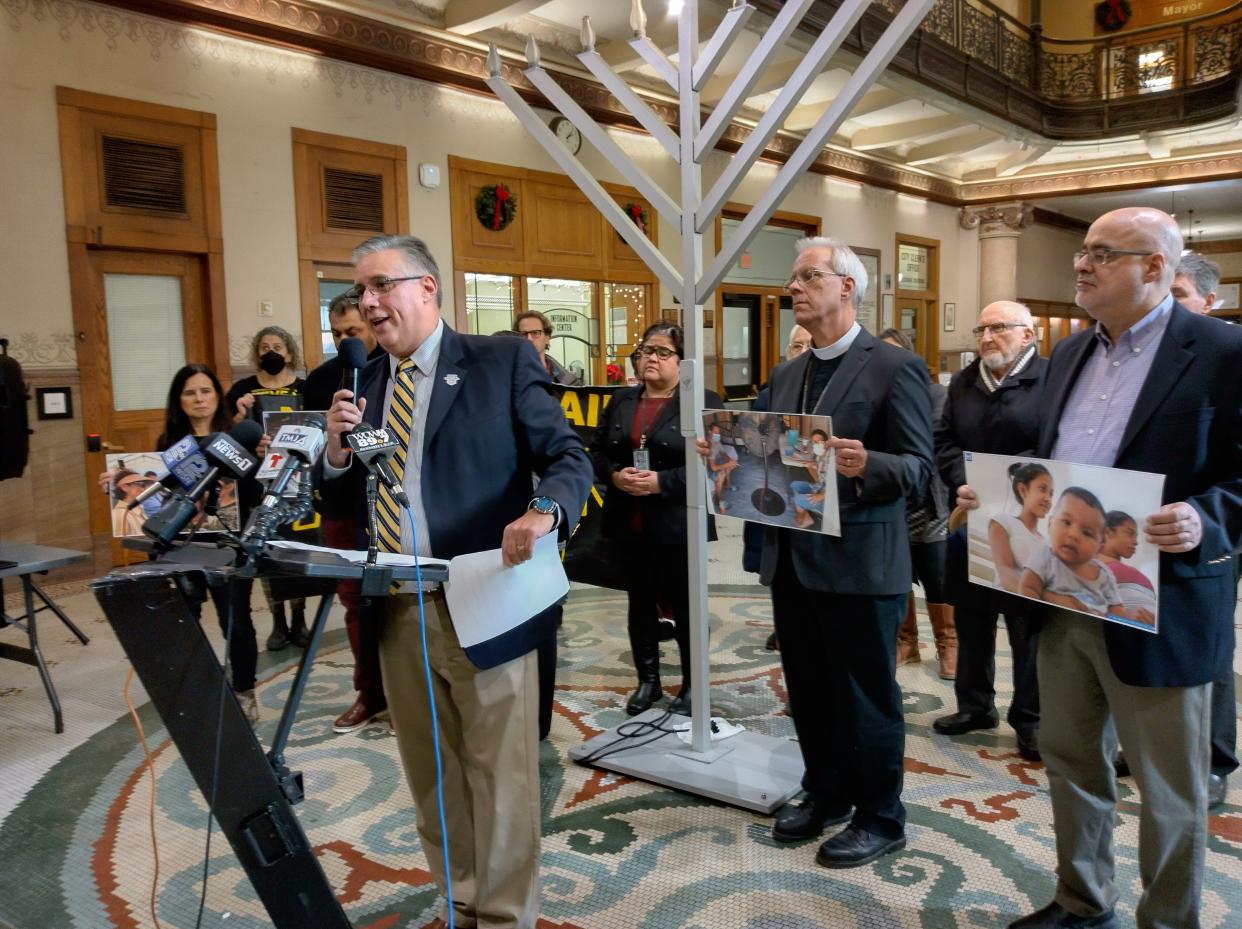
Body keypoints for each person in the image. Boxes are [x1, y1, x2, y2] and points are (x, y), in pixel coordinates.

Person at [965, 207, 1242, 929]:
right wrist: (993, 492)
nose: (1081, 264)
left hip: (1162, 602)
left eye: (1103, 253)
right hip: (1064, 596)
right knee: (1069, 756)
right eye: (1082, 251)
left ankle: (1168, 921)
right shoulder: (1068, 354)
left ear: (1155, 267)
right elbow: (1050, 463)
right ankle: (1083, 900)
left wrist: (1206, 517)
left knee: (1169, 789)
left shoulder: (1220, 350)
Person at [322, 234, 592, 929]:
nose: (370, 304)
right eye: (361, 294)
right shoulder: (364, 386)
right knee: (432, 778)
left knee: (500, 779)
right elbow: (354, 494)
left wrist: (546, 508)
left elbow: (566, 453)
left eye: (381, 286)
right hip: (397, 605)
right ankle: (460, 900)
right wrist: (333, 452)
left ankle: (504, 917)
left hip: (486, 600)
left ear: (427, 288)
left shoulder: (497, 362)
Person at [753, 236, 932, 868]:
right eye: (792, 279)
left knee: (865, 694)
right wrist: (733, 456)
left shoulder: (893, 366)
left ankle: (882, 815)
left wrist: (867, 463)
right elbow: (772, 455)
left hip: (861, 560)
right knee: (807, 688)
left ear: (847, 286)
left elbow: (919, 469)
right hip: (794, 559)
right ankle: (825, 790)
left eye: (806, 277)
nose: (792, 288)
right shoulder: (786, 372)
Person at [100, 363, 260, 723]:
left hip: (228, 543)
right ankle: (199, 690)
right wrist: (117, 483)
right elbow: (157, 498)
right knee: (184, 619)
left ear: (218, 397)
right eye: (190, 392)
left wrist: (259, 464)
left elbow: (253, 494)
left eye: (205, 391)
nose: (199, 399)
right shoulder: (166, 448)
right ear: (179, 400)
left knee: (236, 621)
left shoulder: (240, 437)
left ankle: (245, 691)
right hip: (181, 546)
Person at [933, 300, 1046, 763]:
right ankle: (975, 706)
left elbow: (1058, 440)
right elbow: (943, 440)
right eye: (981, 328)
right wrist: (962, 480)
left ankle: (1031, 720)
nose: (986, 337)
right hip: (972, 517)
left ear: (1027, 334)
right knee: (972, 617)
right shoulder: (963, 382)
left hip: (1030, 522)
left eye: (999, 328)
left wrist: (1016, 485)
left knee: (1027, 627)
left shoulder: (1051, 379)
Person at [592, 322, 721, 717]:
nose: (651, 357)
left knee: (685, 607)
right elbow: (597, 451)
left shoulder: (702, 401)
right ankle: (648, 681)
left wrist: (662, 482)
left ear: (684, 363)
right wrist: (615, 475)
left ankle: (693, 686)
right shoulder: (622, 401)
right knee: (640, 604)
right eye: (647, 350)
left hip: (678, 523)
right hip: (629, 521)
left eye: (663, 352)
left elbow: (715, 464)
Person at [304, 294, 392, 734]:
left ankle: (405, 693)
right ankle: (369, 693)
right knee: (355, 605)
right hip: (341, 507)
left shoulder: (394, 371)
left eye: (352, 333)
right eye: (336, 334)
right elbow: (312, 452)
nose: (344, 342)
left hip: (390, 506)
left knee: (398, 604)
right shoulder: (319, 381)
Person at [1171, 252, 1236, 809]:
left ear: (1210, 302)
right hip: (1142, 531)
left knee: (1209, 649)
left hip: (1209, 533)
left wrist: (1208, 517)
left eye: (1180, 295)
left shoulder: (1226, 355)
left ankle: (1215, 759)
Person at [226, 326, 309, 652]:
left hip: (297, 481)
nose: (270, 352)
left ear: (289, 353)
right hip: (256, 484)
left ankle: (300, 617)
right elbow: (230, 439)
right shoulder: (242, 390)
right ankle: (277, 621)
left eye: (277, 346)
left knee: (296, 548)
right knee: (266, 549)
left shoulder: (306, 387)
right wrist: (238, 415)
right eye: (264, 347)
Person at [879, 327, 956, 679]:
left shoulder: (934, 393)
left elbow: (930, 440)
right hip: (893, 501)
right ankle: (906, 641)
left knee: (937, 575)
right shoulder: (875, 396)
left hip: (930, 501)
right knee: (900, 576)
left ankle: (948, 643)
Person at [1019, 488, 1153, 626]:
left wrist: (1129, 615)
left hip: (1094, 641)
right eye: (1066, 522)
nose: (1074, 534)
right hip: (1053, 634)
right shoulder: (1045, 556)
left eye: (1087, 533)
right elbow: (1028, 588)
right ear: (1050, 523)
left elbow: (1115, 609)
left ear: (1100, 544)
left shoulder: (1104, 574)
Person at [515, 310, 583, 386]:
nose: (529, 338)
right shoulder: (506, 377)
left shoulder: (569, 382)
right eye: (523, 334)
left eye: (535, 333)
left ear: (547, 338)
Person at [788, 428, 831, 529]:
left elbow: (838, 485)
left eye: (818, 442)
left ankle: (804, 517)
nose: (815, 444)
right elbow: (822, 468)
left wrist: (822, 496)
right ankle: (805, 513)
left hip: (827, 497)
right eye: (814, 442)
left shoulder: (831, 458)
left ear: (825, 442)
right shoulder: (820, 455)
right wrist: (813, 464)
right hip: (818, 487)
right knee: (794, 484)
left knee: (797, 499)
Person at [706, 421, 739, 512]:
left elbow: (722, 453)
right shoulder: (710, 446)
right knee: (721, 474)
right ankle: (719, 500)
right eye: (715, 432)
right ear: (709, 432)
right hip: (708, 468)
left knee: (729, 464)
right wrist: (728, 464)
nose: (718, 434)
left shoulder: (716, 441)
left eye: (718, 432)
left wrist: (729, 460)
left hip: (717, 461)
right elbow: (713, 468)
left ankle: (728, 485)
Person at [110, 469, 152, 537]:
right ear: (125, 487)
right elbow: (120, 544)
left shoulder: (138, 510)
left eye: (144, 485)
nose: (144, 489)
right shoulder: (120, 514)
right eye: (141, 484)